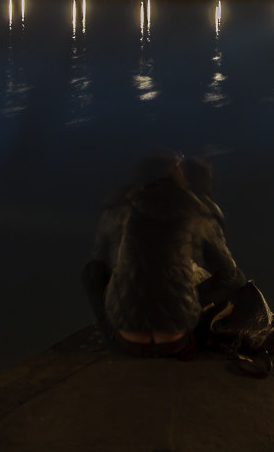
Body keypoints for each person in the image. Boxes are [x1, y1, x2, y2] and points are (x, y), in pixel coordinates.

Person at [82, 153, 247, 358]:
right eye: (177, 164)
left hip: (126, 342)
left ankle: (108, 334)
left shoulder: (118, 208)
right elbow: (227, 271)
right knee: (234, 277)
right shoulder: (196, 210)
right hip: (176, 342)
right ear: (174, 173)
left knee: (92, 271)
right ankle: (197, 327)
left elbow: (101, 258)